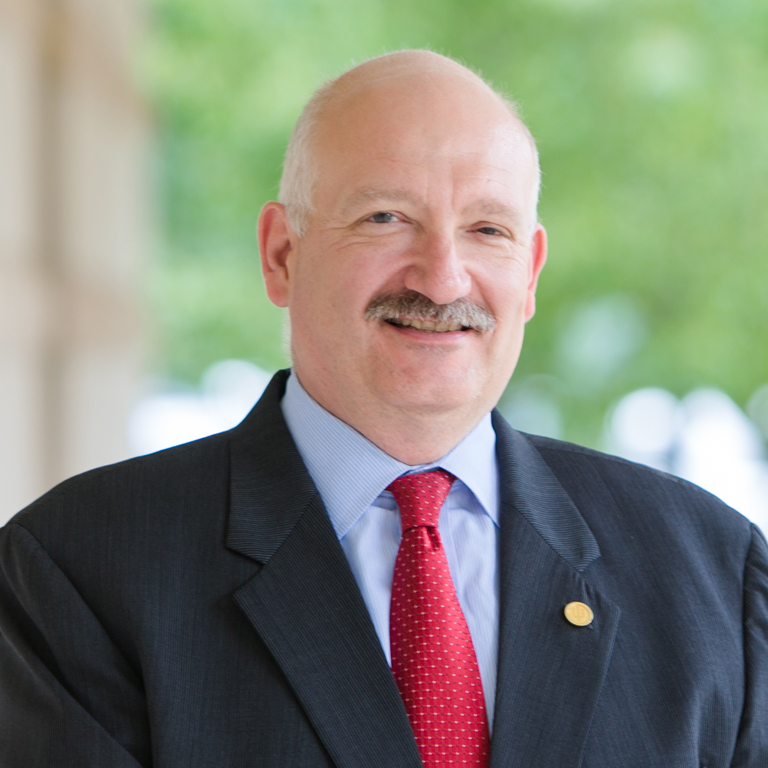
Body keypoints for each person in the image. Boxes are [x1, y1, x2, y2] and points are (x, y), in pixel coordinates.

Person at [1, 50, 766, 767]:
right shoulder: (76, 573)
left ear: (529, 273)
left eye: (485, 230)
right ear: (282, 255)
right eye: (385, 219)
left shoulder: (713, 576)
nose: (441, 279)